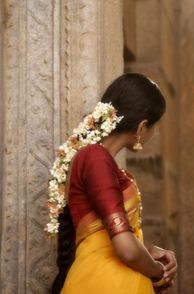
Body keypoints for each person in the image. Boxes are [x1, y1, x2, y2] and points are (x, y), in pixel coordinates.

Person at [47, 73, 177, 294]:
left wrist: (145, 252)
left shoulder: (102, 162)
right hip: (105, 283)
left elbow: (110, 240)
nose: (153, 133)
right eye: (155, 126)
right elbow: (125, 249)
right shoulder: (95, 158)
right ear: (142, 127)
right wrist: (158, 273)